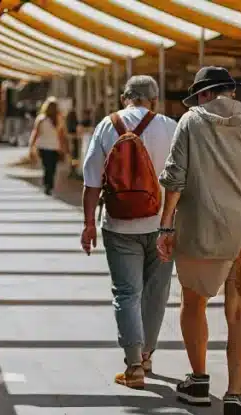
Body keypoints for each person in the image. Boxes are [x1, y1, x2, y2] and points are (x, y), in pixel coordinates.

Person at [156, 67, 241, 415]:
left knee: (193, 300)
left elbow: (175, 175)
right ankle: (236, 397)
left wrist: (165, 225)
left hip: (202, 226)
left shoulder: (192, 121)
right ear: (231, 92)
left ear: (203, 94)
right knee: (240, 313)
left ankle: (199, 381)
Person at [80, 76, 178, 389]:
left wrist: (88, 223)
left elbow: (91, 180)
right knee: (156, 292)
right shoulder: (170, 126)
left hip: (119, 223)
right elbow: (184, 178)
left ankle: (133, 365)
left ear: (125, 98)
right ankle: (148, 354)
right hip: (164, 225)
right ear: (155, 99)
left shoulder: (107, 126)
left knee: (126, 293)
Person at [29, 97, 69, 195]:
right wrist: (64, 148)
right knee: (52, 167)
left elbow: (36, 133)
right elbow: (62, 135)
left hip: (42, 146)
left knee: (46, 166)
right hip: (55, 147)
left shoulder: (41, 119)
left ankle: (46, 184)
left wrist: (31, 145)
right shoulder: (59, 119)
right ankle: (49, 185)